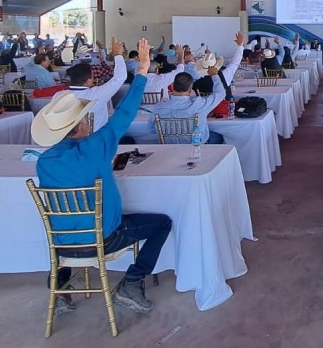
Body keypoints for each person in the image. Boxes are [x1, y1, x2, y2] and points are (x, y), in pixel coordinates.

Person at [34, 38, 170, 314]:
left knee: (70, 233)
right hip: (105, 238)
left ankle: (58, 286)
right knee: (162, 224)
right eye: (84, 119)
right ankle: (132, 282)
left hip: (61, 246)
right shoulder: (96, 147)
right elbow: (124, 113)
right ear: (79, 127)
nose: (88, 121)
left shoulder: (43, 162)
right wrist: (142, 72)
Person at [66, 37, 127, 132]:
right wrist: (118, 55)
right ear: (89, 81)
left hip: (68, 139)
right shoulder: (96, 94)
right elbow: (120, 77)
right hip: (96, 138)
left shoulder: (59, 96)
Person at [148, 71, 225, 144]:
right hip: (196, 148)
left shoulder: (158, 107)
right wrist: (214, 75)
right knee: (218, 136)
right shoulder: (199, 104)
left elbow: (152, 130)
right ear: (190, 88)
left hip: (168, 149)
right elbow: (221, 93)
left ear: (172, 85)